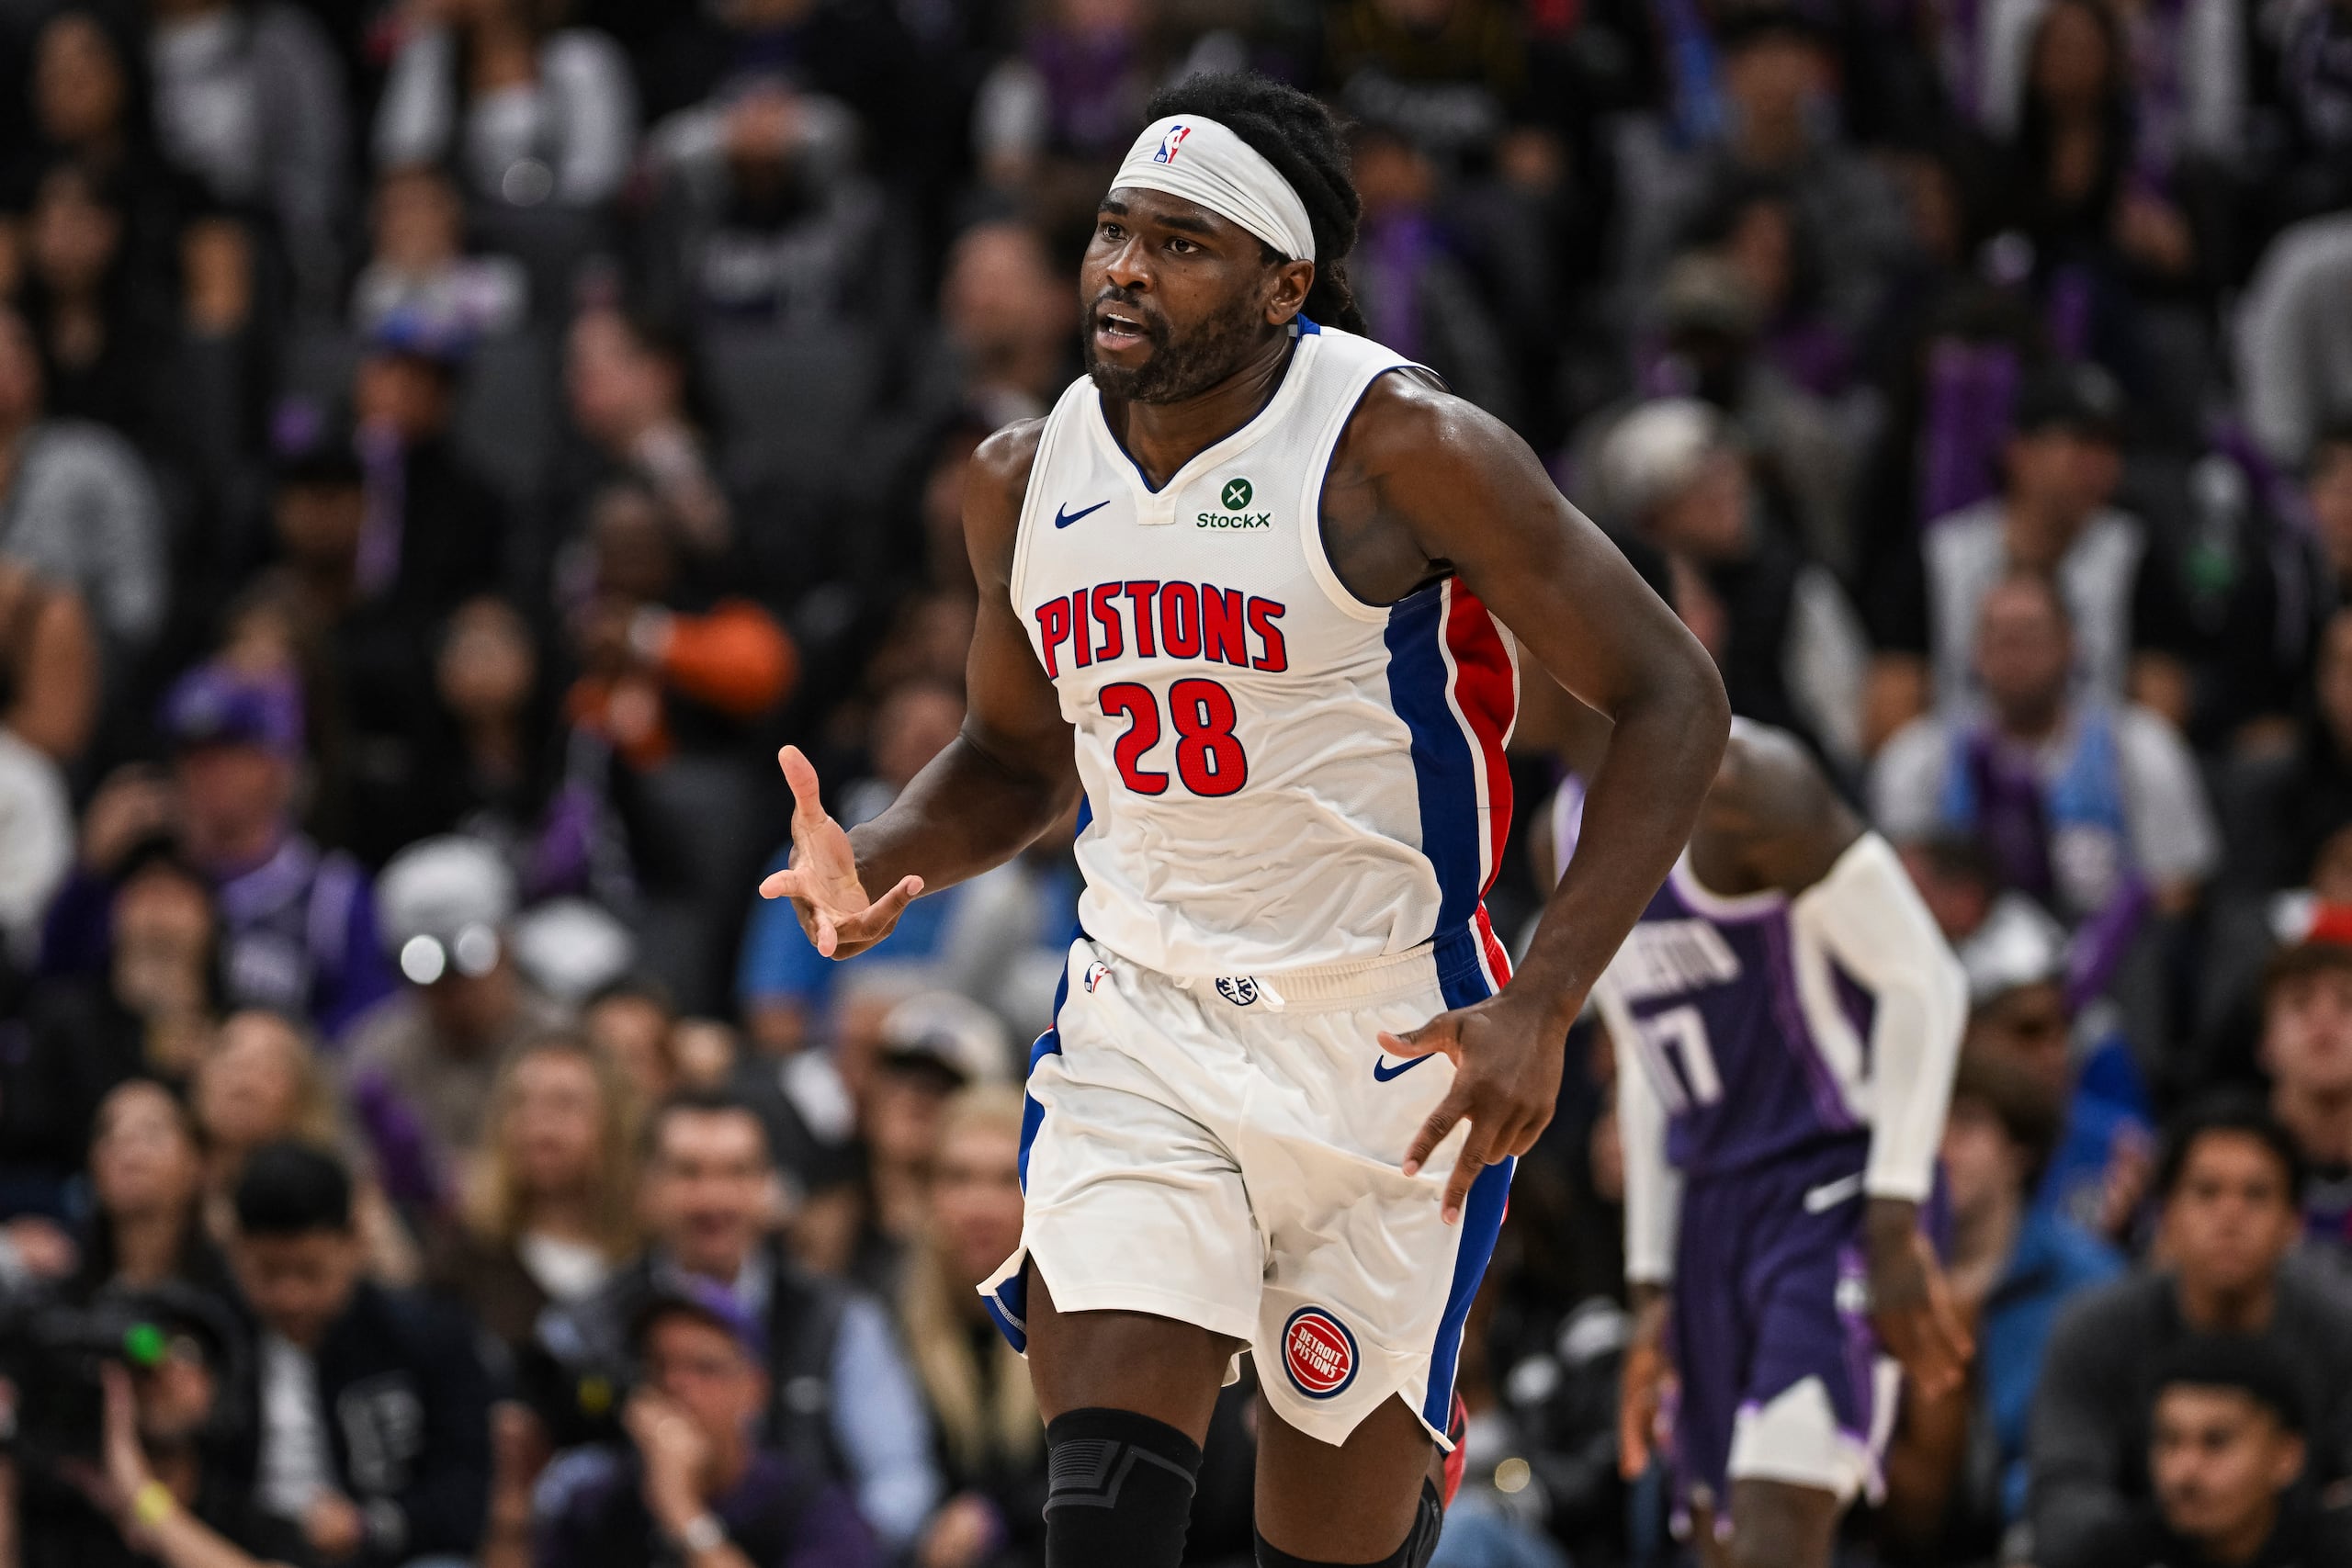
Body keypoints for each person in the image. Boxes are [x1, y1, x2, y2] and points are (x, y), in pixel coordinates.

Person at [759, 71, 1728, 1568]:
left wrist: (1545, 1000)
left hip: (1389, 1050)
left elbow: (1671, 695)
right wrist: (885, 854)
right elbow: (1017, 762)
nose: (1126, 269)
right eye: (1113, 231)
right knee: (1102, 1504)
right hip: (1143, 1023)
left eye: (1182, 243)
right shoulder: (1025, 479)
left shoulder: (1406, 448)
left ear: (1286, 283)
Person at [1584, 720, 1969, 1568]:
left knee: (1779, 1518)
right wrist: (1650, 1277)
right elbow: (1645, 1070)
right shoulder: (1560, 827)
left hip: (1833, 1182)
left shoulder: (1744, 782)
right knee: (1720, 1536)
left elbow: (1928, 982)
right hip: (1713, 1207)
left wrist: (1895, 1212)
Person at [524, 1090, 942, 1555]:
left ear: (769, 1188)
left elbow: (901, 1483)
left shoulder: (838, 1319)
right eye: (689, 1172)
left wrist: (834, 1544)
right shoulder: (586, 1327)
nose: (712, 1199)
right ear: (648, 1187)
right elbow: (551, 1487)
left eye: (735, 1172)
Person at [2026, 1098, 2352, 1568]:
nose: (2230, 1217)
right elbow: (2062, 1504)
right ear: (2168, 1215)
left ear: (2294, 1224)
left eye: (2256, 1195)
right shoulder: (2093, 1331)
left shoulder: (2339, 1333)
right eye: (2206, 1192)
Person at [1862, 361, 2195, 746]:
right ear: (2018, 451)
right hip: (1962, 783)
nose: (2101, 467)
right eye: (2081, 445)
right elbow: (1889, 712)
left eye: (2110, 448)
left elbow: (2162, 711)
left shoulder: (2135, 554)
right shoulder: (1940, 556)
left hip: (2096, 783)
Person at [1871, 568, 2219, 922]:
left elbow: (2177, 892)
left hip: (2113, 957)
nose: (2015, 654)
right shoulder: (1917, 760)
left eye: (2030, 636)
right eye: (2000, 638)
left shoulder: (2142, 748)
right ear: (1975, 653)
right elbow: (1903, 899)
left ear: (2072, 645)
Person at [225, 1140, 492, 1566]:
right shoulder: (213, 1340)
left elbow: (465, 1492)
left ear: (354, 1244)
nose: (290, 1296)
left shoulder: (425, 1335)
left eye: (310, 1272)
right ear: (237, 1252)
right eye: (269, 1273)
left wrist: (368, 1527)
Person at [531, 1279, 878, 1568]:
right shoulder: (597, 1505)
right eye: (658, 1366)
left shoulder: (813, 1509)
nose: (676, 1385)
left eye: (704, 1368)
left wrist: (684, 1514)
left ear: (754, 1389)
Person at [341, 835, 571, 1207]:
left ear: (507, 942)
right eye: (426, 963)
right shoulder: (374, 1054)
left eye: (470, 954)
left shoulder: (561, 1042)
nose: (452, 984)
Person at [894, 1086, 1049, 1568]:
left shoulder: (1083, 1329)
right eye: (958, 1178)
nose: (979, 1207)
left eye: (1007, 1180)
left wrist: (998, 1515)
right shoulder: (878, 1318)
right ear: (927, 1195)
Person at [429, 1032, 641, 1351]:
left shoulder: (649, 1260)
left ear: (614, 1123)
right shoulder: (463, 1261)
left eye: (564, 1104)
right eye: (519, 1103)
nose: (538, 1123)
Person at [2067, 1337, 2352, 1566]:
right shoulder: (2112, 1556)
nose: (2184, 1470)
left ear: (2286, 1456)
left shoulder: (2336, 1553)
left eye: (2216, 1442)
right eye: (2169, 1440)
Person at [2254, 937, 2352, 1268]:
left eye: (2347, 1003)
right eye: (2300, 1003)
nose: (2324, 1022)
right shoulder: (2221, 1176)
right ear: (2266, 1044)